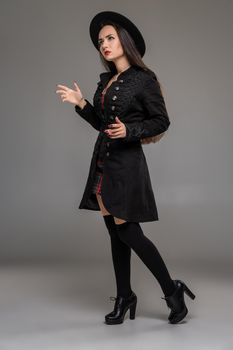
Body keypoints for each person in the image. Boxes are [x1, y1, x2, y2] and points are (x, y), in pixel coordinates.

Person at [56, 11, 196, 325]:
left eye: (109, 38)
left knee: (129, 231)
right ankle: (124, 296)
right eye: (100, 41)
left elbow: (161, 120)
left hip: (127, 164)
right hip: (104, 161)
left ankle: (172, 289)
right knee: (115, 233)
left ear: (124, 41)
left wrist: (130, 132)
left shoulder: (143, 79)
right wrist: (81, 104)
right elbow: (103, 125)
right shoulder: (107, 81)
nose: (103, 44)